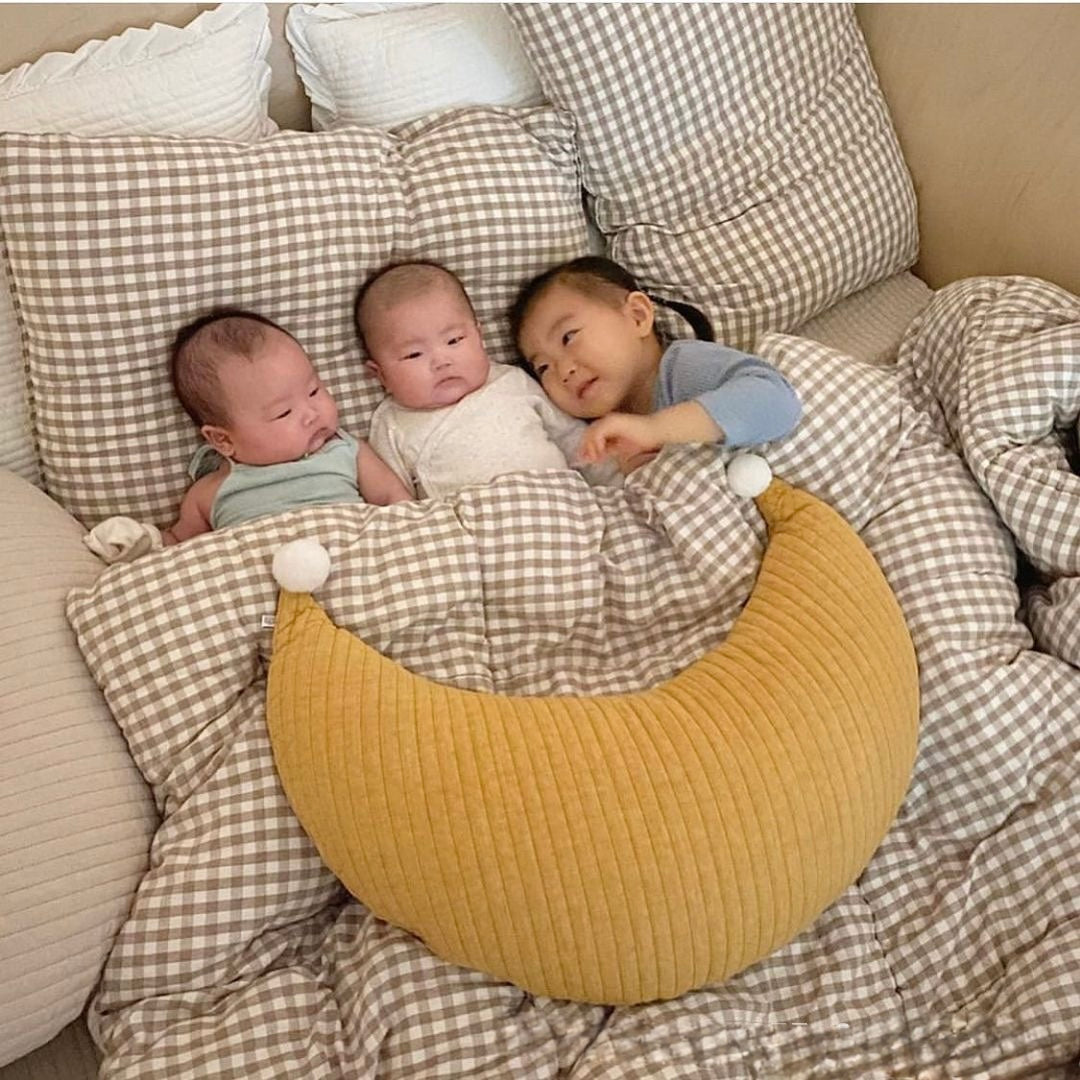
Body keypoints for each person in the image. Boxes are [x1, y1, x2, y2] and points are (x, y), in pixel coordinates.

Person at [509, 256, 802, 471]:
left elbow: (776, 401)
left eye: (568, 337)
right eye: (543, 367)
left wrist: (654, 429)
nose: (563, 371)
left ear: (637, 316)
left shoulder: (683, 367)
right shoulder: (594, 441)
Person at [354, 260, 618, 499]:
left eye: (454, 340)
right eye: (414, 354)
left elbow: (574, 440)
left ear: (479, 337)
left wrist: (616, 482)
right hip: (473, 527)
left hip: (561, 506)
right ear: (381, 375)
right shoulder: (392, 424)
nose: (441, 361)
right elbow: (394, 501)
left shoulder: (513, 382)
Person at [162, 309, 411, 544]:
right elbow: (177, 547)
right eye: (284, 413)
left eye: (314, 391)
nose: (311, 414)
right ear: (223, 440)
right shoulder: (211, 492)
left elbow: (396, 500)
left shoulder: (346, 452)